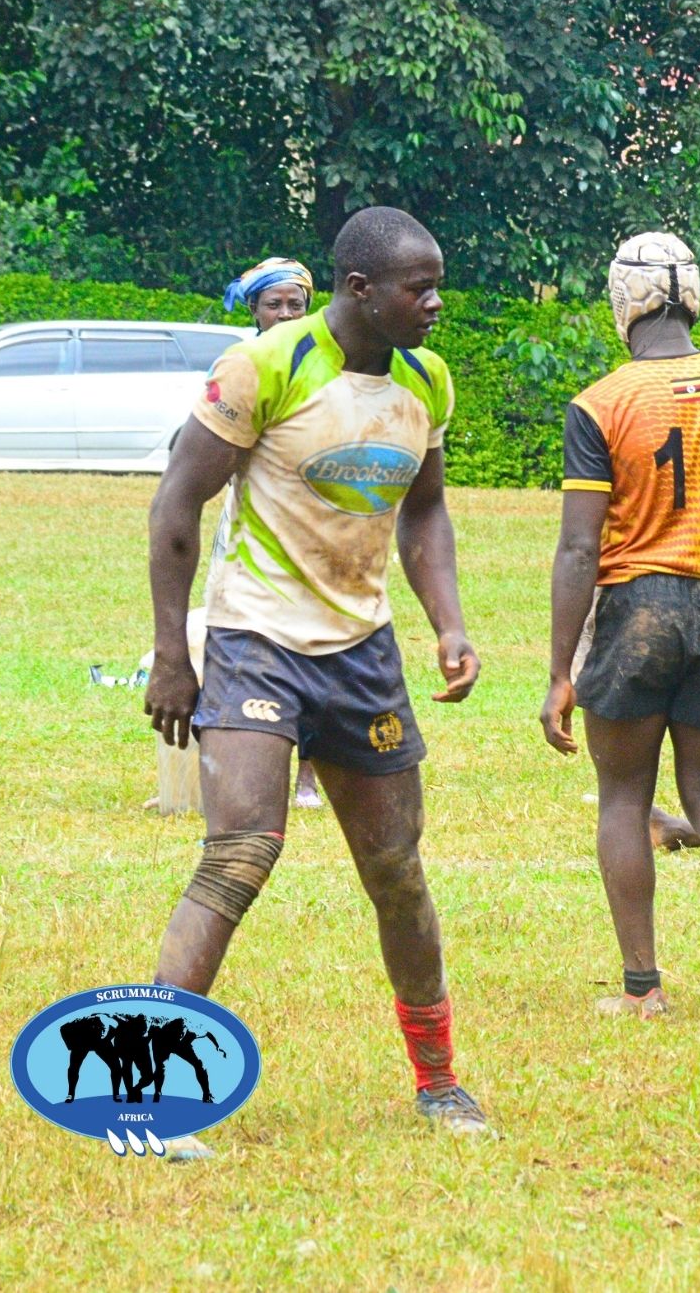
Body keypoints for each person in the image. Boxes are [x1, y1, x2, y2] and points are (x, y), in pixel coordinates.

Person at [143, 207, 488, 1157]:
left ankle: (440, 1082)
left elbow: (425, 514)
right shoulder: (267, 367)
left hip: (362, 651)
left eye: (437, 284)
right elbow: (177, 501)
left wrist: (448, 624)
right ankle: (158, 1092)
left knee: (396, 872)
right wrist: (175, 653)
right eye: (418, 288)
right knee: (240, 851)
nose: (434, 304)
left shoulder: (426, 381)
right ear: (359, 290)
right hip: (256, 639)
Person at [539, 232, 700, 1023]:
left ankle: (644, 989)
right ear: (692, 299)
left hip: (637, 605)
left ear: (623, 302)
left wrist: (560, 669)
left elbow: (580, 545)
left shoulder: (600, 402)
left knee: (624, 797)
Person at [222, 255, 326, 809]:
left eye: (296, 305)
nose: (286, 314)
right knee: (250, 652)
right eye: (274, 304)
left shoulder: (328, 364)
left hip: (315, 528)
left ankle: (306, 778)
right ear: (254, 309)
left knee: (311, 653)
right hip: (250, 526)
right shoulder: (239, 365)